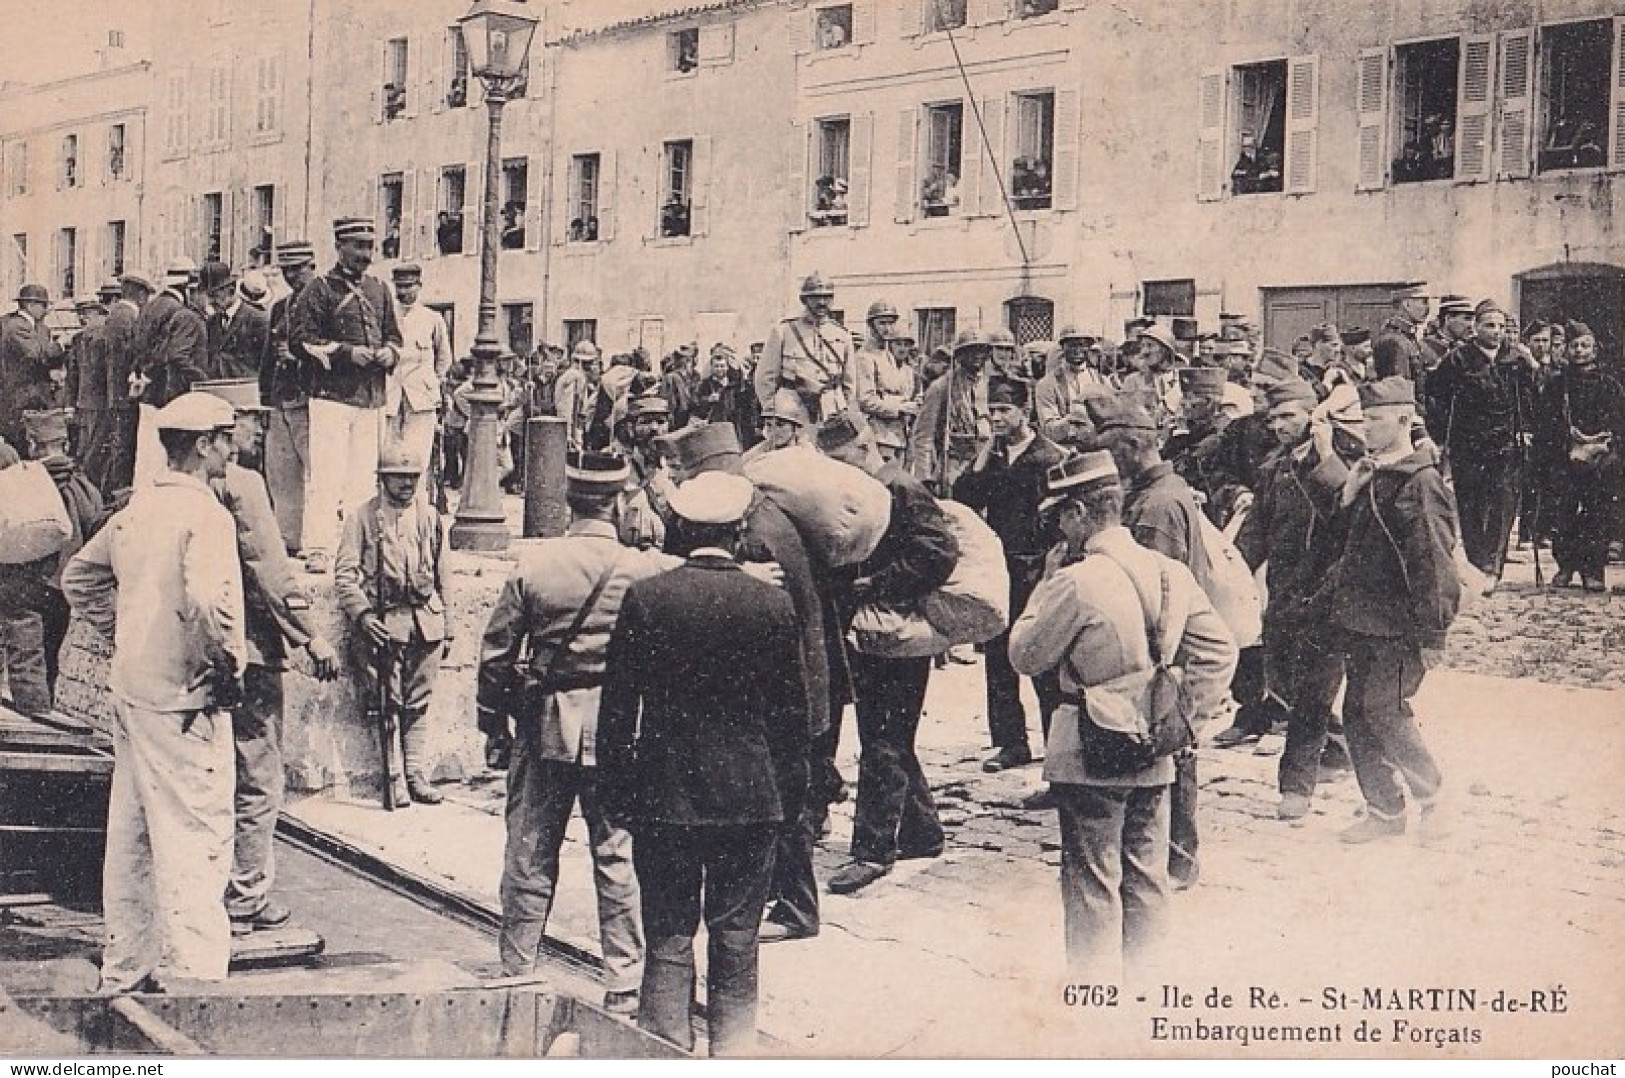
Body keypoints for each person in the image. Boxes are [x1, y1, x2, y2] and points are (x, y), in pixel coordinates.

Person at [598, 469, 809, 1056]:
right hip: (749, 799)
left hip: (665, 798)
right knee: (737, 937)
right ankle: (734, 1055)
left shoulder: (648, 599)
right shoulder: (771, 605)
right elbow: (793, 719)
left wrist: (620, 795)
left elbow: (618, 711)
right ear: (741, 531)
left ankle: (663, 1054)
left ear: (683, 528)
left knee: (667, 935)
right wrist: (791, 801)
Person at [1009, 450, 1236, 982]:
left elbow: (1024, 655)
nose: (1058, 530)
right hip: (1155, 742)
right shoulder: (1168, 572)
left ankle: (1093, 996)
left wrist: (1045, 583)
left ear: (1079, 514)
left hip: (1092, 743)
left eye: (1059, 518)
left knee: (1091, 874)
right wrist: (1185, 718)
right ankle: (1146, 987)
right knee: (1146, 872)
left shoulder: (1077, 581)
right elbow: (1220, 651)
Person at [477, 452, 680, 1011]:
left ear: (568, 502)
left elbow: (496, 656)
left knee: (529, 848)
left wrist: (491, 722)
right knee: (615, 851)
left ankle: (517, 964)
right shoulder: (643, 568)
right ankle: (623, 978)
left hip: (544, 723)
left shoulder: (534, 567)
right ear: (617, 502)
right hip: (617, 729)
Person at [61, 391, 245, 992]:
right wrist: (225, 668)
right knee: (197, 839)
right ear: (201, 446)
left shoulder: (137, 510)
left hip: (133, 692)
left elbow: (80, 578)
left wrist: (130, 631)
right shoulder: (207, 516)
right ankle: (195, 983)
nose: (233, 446)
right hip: (185, 703)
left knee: (133, 838)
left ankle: (125, 968)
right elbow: (207, 603)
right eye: (225, 436)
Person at [194, 379, 340, 936]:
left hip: (196, 653)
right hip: (251, 653)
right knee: (257, 773)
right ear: (227, 429)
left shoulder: (175, 486)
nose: (261, 428)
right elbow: (271, 570)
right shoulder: (244, 484)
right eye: (252, 420)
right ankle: (246, 895)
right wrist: (310, 635)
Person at [1307, 377, 1461, 844]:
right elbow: (1342, 541)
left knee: (1385, 709)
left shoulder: (1420, 482)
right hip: (1361, 620)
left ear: (1403, 420)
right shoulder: (1373, 473)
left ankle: (1434, 799)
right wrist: (1349, 492)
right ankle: (1384, 810)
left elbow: (1434, 562)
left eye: (1374, 420)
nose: (1366, 429)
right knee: (1357, 712)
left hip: (1400, 626)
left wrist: (1434, 632)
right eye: (1363, 420)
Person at [820, 415, 958, 894]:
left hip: (899, 635)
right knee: (891, 736)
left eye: (842, 461)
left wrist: (873, 585)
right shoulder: (872, 491)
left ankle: (872, 852)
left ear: (864, 447)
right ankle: (923, 831)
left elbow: (939, 552)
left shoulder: (900, 489)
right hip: (879, 633)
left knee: (882, 741)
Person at [1086, 391, 1209, 889]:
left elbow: (1154, 595)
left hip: (1164, 654)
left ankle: (1177, 857)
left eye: (1111, 455)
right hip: (1170, 652)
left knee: (1172, 749)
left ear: (1133, 450)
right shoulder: (1165, 491)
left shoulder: (1155, 507)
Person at [1229, 379, 1354, 816]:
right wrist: (1235, 571)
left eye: (1290, 416)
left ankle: (1296, 785)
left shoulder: (1345, 461)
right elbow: (1257, 531)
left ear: (1312, 416)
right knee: (1281, 678)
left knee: (1314, 689)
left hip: (1327, 593)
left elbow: (1349, 516)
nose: (1279, 425)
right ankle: (1338, 746)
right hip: (1285, 593)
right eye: (1275, 417)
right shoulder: (1274, 468)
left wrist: (1327, 458)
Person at [952, 375, 1066, 774]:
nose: (996, 419)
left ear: (1025, 411)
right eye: (991, 412)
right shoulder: (993, 458)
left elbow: (1058, 521)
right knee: (998, 659)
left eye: (1004, 411)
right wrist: (983, 455)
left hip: (1036, 570)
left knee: (1041, 658)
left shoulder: (1049, 458)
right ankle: (1010, 742)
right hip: (1000, 570)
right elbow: (963, 498)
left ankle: (1058, 747)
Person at [333, 442, 446, 805]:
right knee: (387, 702)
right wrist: (363, 615)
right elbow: (345, 576)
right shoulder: (363, 518)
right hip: (385, 623)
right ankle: (392, 773)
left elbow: (444, 573)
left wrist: (451, 623)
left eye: (412, 477)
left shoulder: (429, 517)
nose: (406, 485)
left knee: (419, 701)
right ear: (382, 479)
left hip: (425, 620)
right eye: (398, 478)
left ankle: (415, 772)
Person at [289, 217, 403, 575]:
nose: (366, 255)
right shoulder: (319, 290)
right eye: (358, 246)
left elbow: (394, 336)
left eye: (370, 246)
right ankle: (319, 548)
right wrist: (345, 354)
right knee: (326, 476)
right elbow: (300, 340)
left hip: (371, 398)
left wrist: (390, 353)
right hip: (331, 397)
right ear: (340, 247)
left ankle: (357, 548)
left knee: (363, 479)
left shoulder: (380, 290)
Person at [1423, 299, 1537, 587]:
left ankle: (1492, 566)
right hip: (1468, 444)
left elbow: (1530, 400)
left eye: (1500, 326)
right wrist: (1441, 435)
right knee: (1471, 503)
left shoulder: (1516, 360)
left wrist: (1525, 429)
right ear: (1475, 327)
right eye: (1489, 325)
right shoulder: (1458, 359)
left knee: (1503, 504)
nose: (1496, 331)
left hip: (1505, 443)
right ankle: (1475, 561)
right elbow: (1436, 395)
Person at [0, 408, 106, 716]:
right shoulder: (85, 486)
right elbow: (94, 528)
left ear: (32, 444)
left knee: (26, 659)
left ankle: (31, 725)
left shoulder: (21, 481)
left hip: (23, 583)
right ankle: (45, 717)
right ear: (67, 445)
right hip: (63, 587)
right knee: (50, 654)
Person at [1535, 323, 1625, 591]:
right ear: (1564, 350)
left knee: (1597, 512)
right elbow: (1546, 423)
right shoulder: (1556, 385)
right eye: (1574, 346)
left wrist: (1606, 446)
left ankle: (1593, 570)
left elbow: (1619, 421)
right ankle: (1565, 566)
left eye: (1585, 346)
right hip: (1564, 458)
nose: (1579, 351)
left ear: (1594, 349)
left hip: (1601, 460)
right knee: (1563, 512)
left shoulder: (1610, 386)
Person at [263, 241, 319, 556]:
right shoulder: (280, 307)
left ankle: (315, 540)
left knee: (317, 475)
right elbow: (266, 359)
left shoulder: (325, 303)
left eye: (297, 270)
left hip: (312, 398)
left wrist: (299, 359)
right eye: (286, 270)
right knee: (282, 473)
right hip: (282, 397)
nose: (292, 277)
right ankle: (288, 538)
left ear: (312, 266)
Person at [757, 273, 852, 424]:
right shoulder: (784, 331)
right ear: (804, 300)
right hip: (793, 409)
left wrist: (845, 409)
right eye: (815, 297)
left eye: (826, 297)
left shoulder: (842, 334)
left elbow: (849, 382)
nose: (821, 302)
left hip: (831, 409)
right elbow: (765, 377)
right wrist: (773, 412)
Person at [911, 327, 992, 494]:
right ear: (960, 355)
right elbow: (923, 435)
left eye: (981, 350)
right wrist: (925, 477)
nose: (977, 355)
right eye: (971, 350)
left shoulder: (991, 384)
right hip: (955, 464)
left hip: (986, 462)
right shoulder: (942, 387)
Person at [387, 264, 454, 466]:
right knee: (389, 456)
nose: (403, 292)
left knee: (418, 457)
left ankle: (418, 499)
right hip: (390, 397)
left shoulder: (432, 319)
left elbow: (444, 357)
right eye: (399, 286)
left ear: (419, 285)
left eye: (408, 286)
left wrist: (433, 382)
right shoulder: (387, 316)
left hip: (421, 398)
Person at [846, 299, 919, 462]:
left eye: (891, 323)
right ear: (871, 325)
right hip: (878, 435)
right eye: (882, 323)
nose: (888, 328)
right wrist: (900, 408)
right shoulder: (864, 357)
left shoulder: (889, 356)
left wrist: (913, 403)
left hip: (900, 434)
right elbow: (865, 400)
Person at [101, 272, 155, 494]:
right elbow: (129, 356)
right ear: (140, 295)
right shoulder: (127, 317)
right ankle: (118, 492)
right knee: (124, 446)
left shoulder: (116, 315)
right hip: (126, 393)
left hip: (118, 391)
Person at [1, 284, 67, 453]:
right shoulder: (14, 326)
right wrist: (60, 345)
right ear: (30, 305)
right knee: (20, 446)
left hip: (37, 398)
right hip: (19, 399)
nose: (47, 310)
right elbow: (35, 355)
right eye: (44, 305)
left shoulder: (40, 328)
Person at [65, 296, 114, 490]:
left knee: (93, 449)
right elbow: (73, 375)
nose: (82, 318)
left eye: (87, 313)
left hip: (100, 402)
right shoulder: (78, 339)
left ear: (101, 314)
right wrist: (70, 404)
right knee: (87, 449)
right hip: (84, 404)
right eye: (80, 313)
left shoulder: (104, 338)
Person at [1035, 326, 1110, 447]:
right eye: (1072, 345)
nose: (1077, 350)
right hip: (1064, 451)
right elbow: (1048, 429)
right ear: (1063, 347)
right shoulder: (1047, 384)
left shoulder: (1102, 381)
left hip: (1097, 448)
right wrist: (1072, 419)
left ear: (1088, 348)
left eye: (1081, 345)